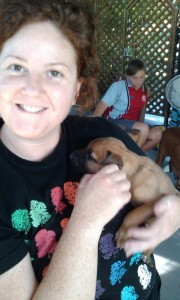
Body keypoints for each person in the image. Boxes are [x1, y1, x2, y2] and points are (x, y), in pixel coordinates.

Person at [0, 1, 179, 300]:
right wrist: (86, 219)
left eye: (54, 72)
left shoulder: (103, 134)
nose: (33, 88)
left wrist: (173, 212)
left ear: (76, 88)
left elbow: (165, 193)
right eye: (16, 66)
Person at [93, 59, 162, 152]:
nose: (138, 81)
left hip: (133, 125)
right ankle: (134, 158)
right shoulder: (118, 86)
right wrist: (94, 123)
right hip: (114, 121)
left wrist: (140, 127)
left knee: (157, 133)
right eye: (134, 77)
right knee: (143, 128)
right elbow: (102, 104)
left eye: (141, 77)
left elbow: (142, 111)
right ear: (127, 76)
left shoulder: (145, 90)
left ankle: (134, 155)